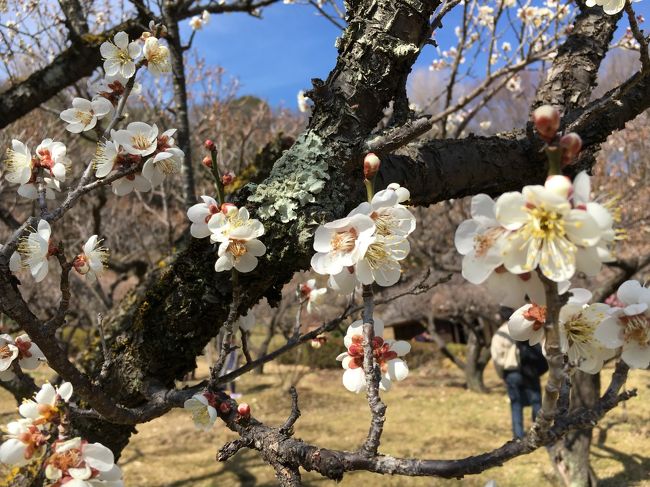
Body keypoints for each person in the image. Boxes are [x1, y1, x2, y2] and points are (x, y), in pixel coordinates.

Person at [491, 308, 548, 439]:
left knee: (516, 404)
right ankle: (539, 431)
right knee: (536, 401)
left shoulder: (499, 334)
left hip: (512, 373)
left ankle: (518, 435)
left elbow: (497, 359)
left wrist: (502, 375)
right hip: (530, 370)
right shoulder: (524, 330)